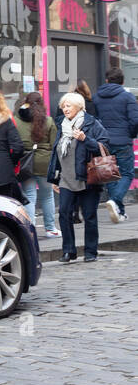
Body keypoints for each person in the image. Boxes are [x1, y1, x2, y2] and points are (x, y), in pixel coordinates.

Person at [48, 91, 110, 263]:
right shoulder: (62, 126)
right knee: (64, 214)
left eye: (68, 106)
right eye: (63, 106)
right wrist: (54, 178)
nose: (65, 109)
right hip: (66, 178)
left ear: (78, 107)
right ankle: (69, 251)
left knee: (89, 215)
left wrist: (85, 139)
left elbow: (104, 146)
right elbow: (57, 152)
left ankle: (91, 251)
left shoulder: (92, 124)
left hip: (87, 177)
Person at [92, 65, 138, 223]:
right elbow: (135, 120)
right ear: (122, 81)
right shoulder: (128, 97)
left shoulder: (96, 97)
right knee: (127, 173)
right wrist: (131, 135)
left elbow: (93, 120)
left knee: (110, 175)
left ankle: (119, 212)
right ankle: (116, 200)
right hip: (123, 140)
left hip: (104, 141)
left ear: (106, 80)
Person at [14, 92, 59, 236]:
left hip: (25, 162)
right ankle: (50, 229)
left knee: (29, 195)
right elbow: (54, 145)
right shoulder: (49, 120)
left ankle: (30, 231)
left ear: (25, 102)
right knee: (47, 195)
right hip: (44, 162)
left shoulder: (17, 120)